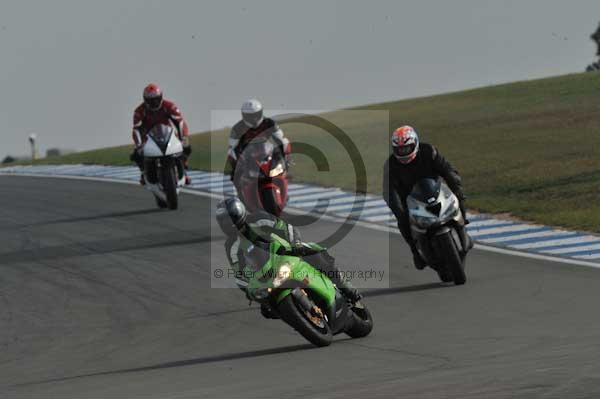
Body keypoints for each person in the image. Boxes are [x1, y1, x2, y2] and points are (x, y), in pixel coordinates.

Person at [216, 197, 361, 319]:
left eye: (229, 219)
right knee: (267, 310)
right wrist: (250, 289)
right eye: (222, 221)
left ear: (239, 212)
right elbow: (239, 272)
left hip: (287, 254)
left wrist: (295, 244)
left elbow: (286, 228)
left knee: (315, 252)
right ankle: (299, 317)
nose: (226, 224)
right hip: (267, 275)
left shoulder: (258, 219)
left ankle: (346, 287)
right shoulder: (231, 246)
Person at [383, 126, 468, 270]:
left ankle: (463, 224)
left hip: (435, 190)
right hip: (410, 199)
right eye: (400, 150)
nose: (403, 152)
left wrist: (455, 183)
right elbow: (389, 191)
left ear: (415, 143)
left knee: (457, 195)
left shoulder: (429, 151)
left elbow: (446, 168)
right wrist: (398, 209)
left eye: (407, 148)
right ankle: (415, 251)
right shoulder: (391, 164)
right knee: (402, 220)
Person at [130, 83, 192, 185]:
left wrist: (183, 137)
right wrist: (139, 145)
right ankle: (143, 172)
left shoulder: (169, 106)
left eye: (156, 99)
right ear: (145, 100)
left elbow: (180, 122)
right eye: (150, 100)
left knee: (187, 147)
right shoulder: (139, 111)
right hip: (148, 138)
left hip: (168, 135)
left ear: (161, 97)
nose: (154, 102)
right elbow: (136, 129)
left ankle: (184, 170)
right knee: (136, 155)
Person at [225, 99, 291, 179]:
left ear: (261, 112)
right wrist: (234, 164)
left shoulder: (269, 123)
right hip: (246, 155)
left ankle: (283, 168)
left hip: (265, 151)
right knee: (231, 154)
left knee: (284, 142)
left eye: (256, 115)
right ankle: (236, 178)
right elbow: (232, 146)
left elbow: (280, 138)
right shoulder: (238, 128)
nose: (254, 119)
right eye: (250, 116)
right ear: (244, 115)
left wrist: (284, 157)